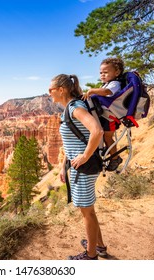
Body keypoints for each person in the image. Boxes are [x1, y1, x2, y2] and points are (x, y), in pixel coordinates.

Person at [49, 73, 107, 260]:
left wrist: (84, 156)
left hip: (84, 167)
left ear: (62, 90)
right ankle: (99, 246)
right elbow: (71, 141)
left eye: (51, 90)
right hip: (78, 167)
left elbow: (96, 131)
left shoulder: (75, 107)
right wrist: (62, 167)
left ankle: (90, 255)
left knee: (87, 212)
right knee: (89, 209)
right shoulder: (70, 108)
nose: (49, 93)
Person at [82, 57, 125, 171]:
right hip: (105, 116)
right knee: (105, 136)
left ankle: (115, 158)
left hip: (110, 118)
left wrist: (92, 91)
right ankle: (109, 151)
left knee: (108, 136)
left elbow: (107, 93)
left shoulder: (115, 84)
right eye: (101, 72)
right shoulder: (107, 84)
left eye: (106, 72)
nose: (102, 75)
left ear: (117, 72)